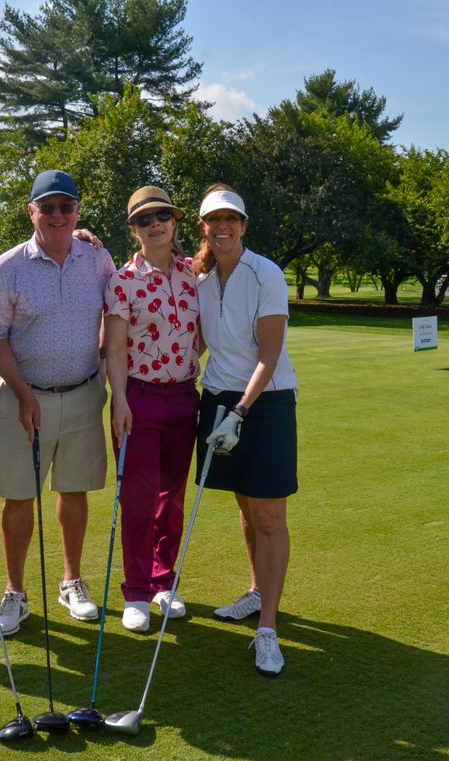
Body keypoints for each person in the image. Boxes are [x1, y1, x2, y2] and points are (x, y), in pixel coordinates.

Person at [0, 169, 115, 636]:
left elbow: (115, 310)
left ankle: (71, 581)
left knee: (74, 491)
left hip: (83, 394)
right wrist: (21, 393)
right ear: (31, 211)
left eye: (66, 207)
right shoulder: (8, 267)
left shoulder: (97, 258)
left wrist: (100, 359)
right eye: (48, 207)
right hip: (24, 399)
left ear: (77, 210)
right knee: (19, 497)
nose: (58, 215)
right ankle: (15, 593)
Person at [193, 184, 298, 677]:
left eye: (231, 219)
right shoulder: (199, 279)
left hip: (265, 401)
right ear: (203, 229)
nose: (222, 227)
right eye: (213, 220)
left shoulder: (266, 274)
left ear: (244, 226)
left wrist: (239, 411)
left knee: (270, 515)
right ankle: (257, 592)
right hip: (218, 399)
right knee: (243, 502)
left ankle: (268, 629)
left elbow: (268, 354)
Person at [103, 186, 200, 632]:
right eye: (145, 219)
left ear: (175, 221)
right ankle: (137, 591)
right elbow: (116, 348)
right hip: (138, 398)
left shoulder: (193, 275)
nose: (155, 224)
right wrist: (120, 401)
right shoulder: (122, 280)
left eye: (162, 215)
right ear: (134, 229)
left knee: (171, 500)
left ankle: (164, 582)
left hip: (183, 398)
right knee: (139, 501)